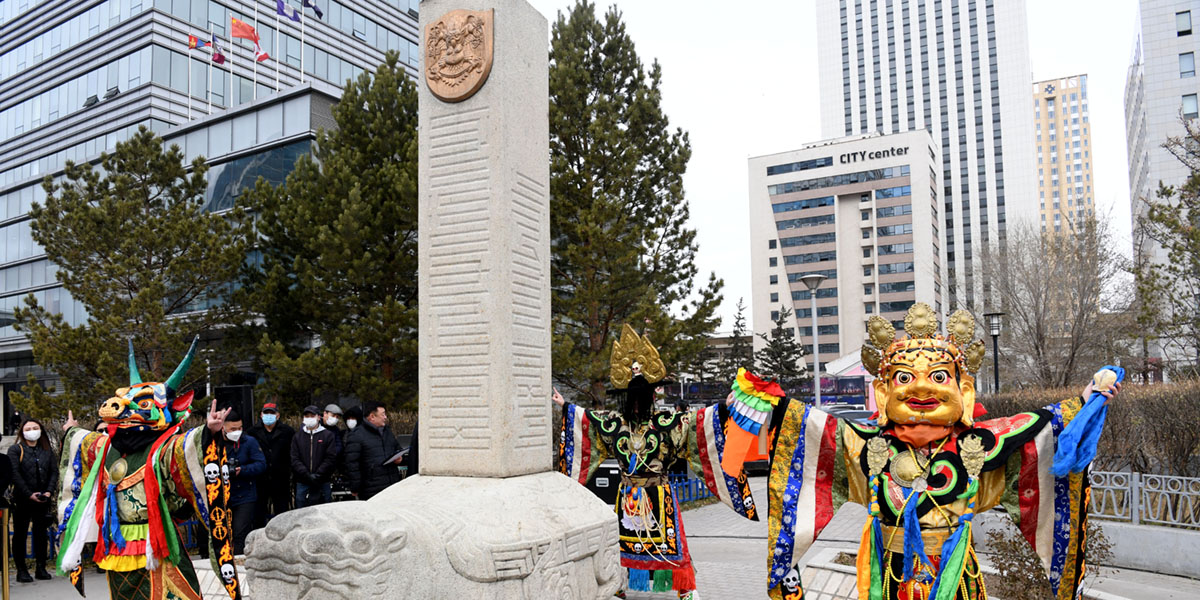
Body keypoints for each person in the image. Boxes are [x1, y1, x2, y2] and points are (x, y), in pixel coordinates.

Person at [758, 304, 1124, 600]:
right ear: (883, 393)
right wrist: (765, 405)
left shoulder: (978, 444)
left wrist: (1086, 401)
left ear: (964, 391)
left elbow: (1040, 426)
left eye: (938, 377)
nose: (921, 388)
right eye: (904, 378)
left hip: (955, 573)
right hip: (891, 575)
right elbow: (810, 428)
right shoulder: (868, 443)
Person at [554, 325, 759, 600]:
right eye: (633, 400)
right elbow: (589, 421)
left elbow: (696, 422)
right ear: (628, 400)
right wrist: (566, 407)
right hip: (628, 494)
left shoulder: (665, 423)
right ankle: (620, 583)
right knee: (623, 543)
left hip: (658, 494)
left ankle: (685, 587)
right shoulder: (617, 423)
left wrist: (724, 407)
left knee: (671, 542)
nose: (637, 404)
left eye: (642, 399)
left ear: (650, 398)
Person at [56, 338, 233, 599]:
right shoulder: (107, 447)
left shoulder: (163, 448)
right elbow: (83, 442)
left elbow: (186, 446)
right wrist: (70, 431)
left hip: (155, 538)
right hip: (118, 541)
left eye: (143, 404)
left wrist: (208, 432)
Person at [8, 418, 57, 582]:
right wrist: (29, 493)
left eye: (35, 428)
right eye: (28, 429)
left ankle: (41, 567)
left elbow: (53, 472)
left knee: (41, 534)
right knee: (20, 534)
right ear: (22, 432)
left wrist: (49, 491)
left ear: (41, 430)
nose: (32, 431)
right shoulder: (16, 450)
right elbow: (14, 474)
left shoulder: (46, 450)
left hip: (43, 498)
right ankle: (21, 570)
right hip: (22, 499)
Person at [223, 411, 265, 555]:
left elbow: (261, 464)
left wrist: (243, 470)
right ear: (223, 428)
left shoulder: (249, 442)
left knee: (240, 532)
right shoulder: (215, 443)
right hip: (222, 494)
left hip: (245, 494)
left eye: (240, 428)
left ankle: (239, 559)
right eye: (232, 429)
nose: (237, 432)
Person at [342, 401, 402, 500]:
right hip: (371, 489)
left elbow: (397, 449)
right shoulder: (356, 435)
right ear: (372, 417)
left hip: (392, 486)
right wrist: (355, 487)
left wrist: (400, 459)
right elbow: (352, 464)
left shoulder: (387, 431)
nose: (385, 417)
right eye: (383, 414)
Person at [248, 401, 294, 527]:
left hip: (280, 479)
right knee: (258, 513)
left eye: (272, 413)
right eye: (266, 413)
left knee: (282, 513)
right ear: (261, 415)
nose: (269, 415)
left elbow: (292, 453)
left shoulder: (288, 432)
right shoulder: (252, 432)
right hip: (259, 479)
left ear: (277, 415)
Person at [291, 405, 338, 507]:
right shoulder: (297, 436)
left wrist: (319, 474)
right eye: (307, 416)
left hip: (323, 480)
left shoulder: (327, 435)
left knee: (325, 508)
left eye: (312, 416)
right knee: (301, 510)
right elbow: (295, 458)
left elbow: (330, 457)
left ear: (318, 417)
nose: (309, 418)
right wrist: (306, 474)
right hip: (303, 481)